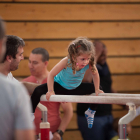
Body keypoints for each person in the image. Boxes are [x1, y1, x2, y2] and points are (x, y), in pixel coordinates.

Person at [30, 37, 104, 129]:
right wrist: (50, 90)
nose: (85, 62)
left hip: (75, 88)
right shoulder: (66, 61)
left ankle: (91, 111)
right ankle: (30, 114)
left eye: (88, 58)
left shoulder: (90, 63)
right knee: (37, 90)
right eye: (83, 59)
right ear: (73, 56)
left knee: (98, 89)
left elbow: (95, 75)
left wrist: (97, 89)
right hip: (60, 86)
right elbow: (51, 75)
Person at [23, 48, 73, 140]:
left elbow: (68, 111)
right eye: (29, 61)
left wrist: (59, 132)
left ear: (45, 63)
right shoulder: (25, 83)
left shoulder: (57, 83)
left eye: (35, 63)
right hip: (30, 135)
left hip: (52, 134)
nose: (30, 65)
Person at [0, 18, 35, 140]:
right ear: (9, 57)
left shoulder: (9, 79)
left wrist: (47, 87)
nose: (22, 58)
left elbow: (22, 85)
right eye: (20, 54)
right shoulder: (13, 90)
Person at [76, 40, 117, 140]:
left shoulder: (104, 67)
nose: (104, 57)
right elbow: (85, 80)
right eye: (101, 55)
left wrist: (123, 103)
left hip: (107, 115)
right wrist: (95, 55)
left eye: (105, 54)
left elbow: (107, 88)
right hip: (92, 117)